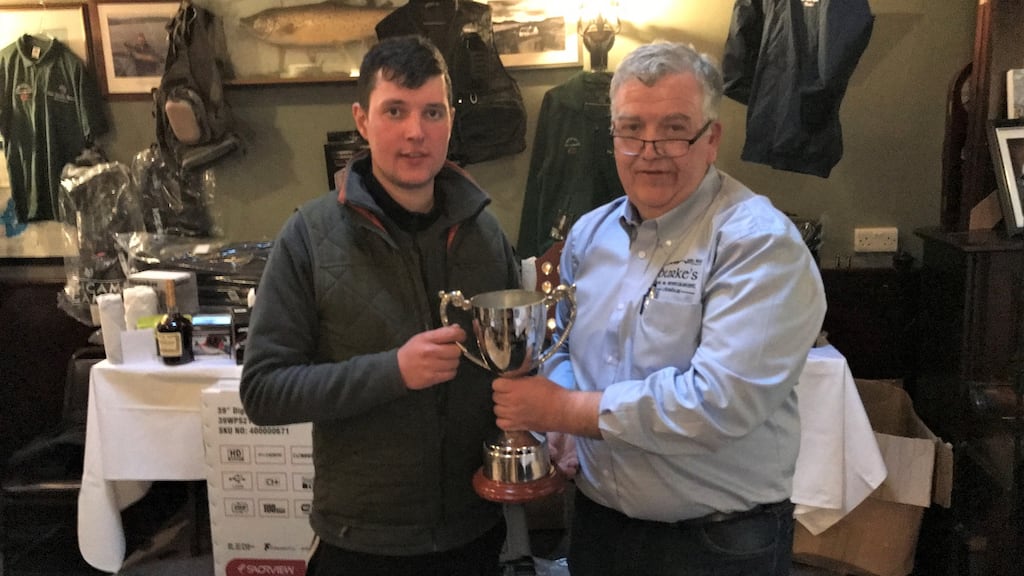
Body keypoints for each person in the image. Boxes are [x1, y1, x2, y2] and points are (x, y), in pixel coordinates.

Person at [493, 41, 827, 576]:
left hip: (715, 545)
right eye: (631, 129)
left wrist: (565, 411)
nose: (650, 149)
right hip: (600, 528)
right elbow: (560, 342)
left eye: (675, 129)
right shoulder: (588, 234)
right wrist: (562, 420)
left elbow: (717, 404)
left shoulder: (757, 243)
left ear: (711, 138)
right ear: (614, 136)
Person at [240, 35, 521, 576]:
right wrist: (394, 371)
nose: (416, 132)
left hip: (475, 532)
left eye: (432, 112)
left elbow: (511, 363)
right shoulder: (308, 236)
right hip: (361, 544)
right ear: (363, 121)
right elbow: (263, 392)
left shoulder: (486, 233)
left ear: (449, 121)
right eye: (395, 110)